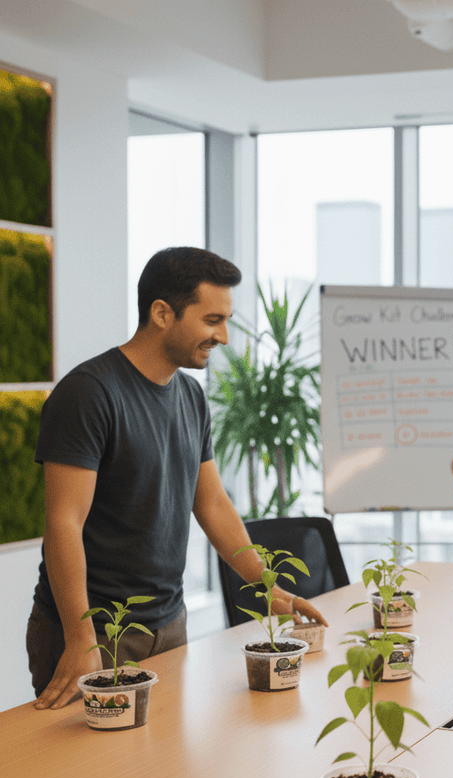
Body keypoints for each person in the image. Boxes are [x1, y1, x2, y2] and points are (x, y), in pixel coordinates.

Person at [27, 246, 328, 710]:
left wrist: (268, 589)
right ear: (162, 313)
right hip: (97, 631)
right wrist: (80, 636)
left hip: (169, 623)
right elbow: (63, 522)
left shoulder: (189, 396)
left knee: (159, 771)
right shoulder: (89, 394)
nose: (223, 336)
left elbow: (212, 504)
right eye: (212, 320)